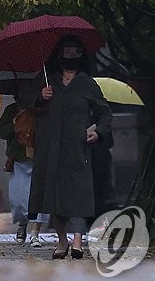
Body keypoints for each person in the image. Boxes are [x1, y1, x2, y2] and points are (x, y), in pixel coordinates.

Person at [28, 36, 112, 260]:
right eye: (67, 54)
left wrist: (99, 131)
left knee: (78, 193)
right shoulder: (46, 81)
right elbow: (27, 104)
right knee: (53, 194)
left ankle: (77, 241)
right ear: (58, 56)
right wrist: (40, 96)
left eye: (75, 54)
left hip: (77, 148)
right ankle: (62, 240)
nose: (70, 58)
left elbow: (104, 112)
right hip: (49, 148)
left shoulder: (87, 84)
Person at [0, 84, 50, 245]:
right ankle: (23, 224)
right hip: (19, 159)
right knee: (18, 199)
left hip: (39, 158)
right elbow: (1, 131)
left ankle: (35, 233)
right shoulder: (12, 110)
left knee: (38, 197)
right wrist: (16, 123)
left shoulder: (43, 110)